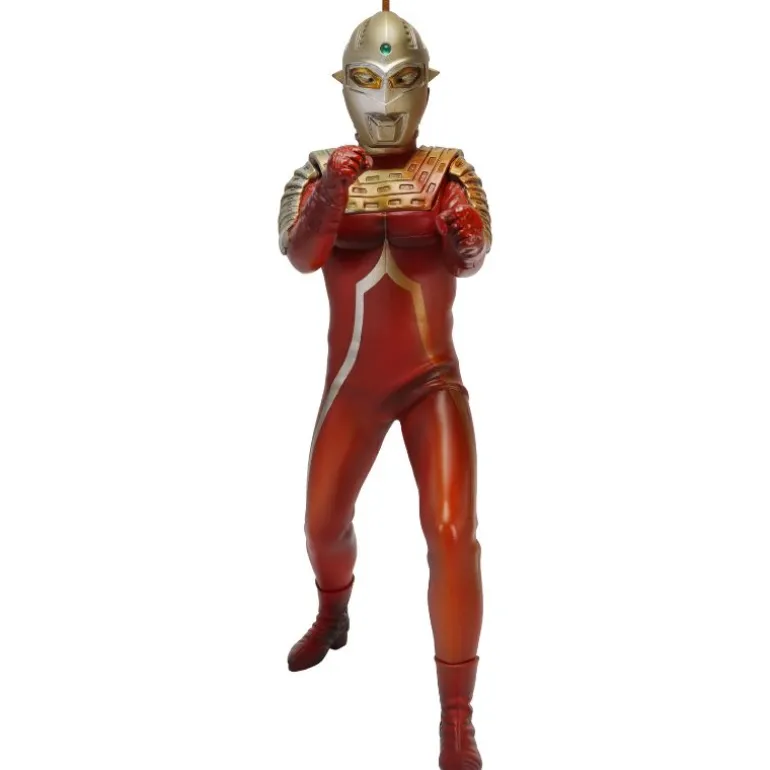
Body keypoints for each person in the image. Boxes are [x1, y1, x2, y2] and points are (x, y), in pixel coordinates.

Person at [277, 5, 492, 768]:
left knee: (452, 532)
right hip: (354, 386)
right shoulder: (317, 168)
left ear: (423, 85)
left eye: (399, 81)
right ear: (347, 85)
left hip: (433, 381)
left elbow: (474, 254)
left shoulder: (450, 168)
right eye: (369, 81)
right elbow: (301, 254)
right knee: (321, 526)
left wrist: (463, 231)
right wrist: (330, 196)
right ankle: (333, 610)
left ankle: (457, 716)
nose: (386, 99)